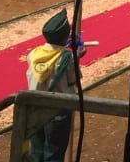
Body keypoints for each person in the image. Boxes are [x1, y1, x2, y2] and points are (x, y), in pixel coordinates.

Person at [25, 9, 86, 162]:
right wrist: (76, 56)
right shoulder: (68, 58)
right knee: (54, 153)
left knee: (36, 152)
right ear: (66, 37)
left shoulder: (33, 54)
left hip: (35, 109)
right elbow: (73, 81)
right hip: (57, 112)